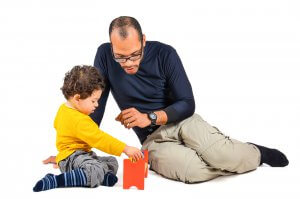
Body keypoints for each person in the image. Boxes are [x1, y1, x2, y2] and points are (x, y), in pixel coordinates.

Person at [44, 16, 289, 184]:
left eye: (134, 55)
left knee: (226, 156)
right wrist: (72, 152)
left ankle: (251, 153)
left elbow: (187, 102)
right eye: (121, 57)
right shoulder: (104, 56)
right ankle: (220, 154)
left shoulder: (165, 54)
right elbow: (94, 108)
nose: (128, 63)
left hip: (183, 121)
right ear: (111, 47)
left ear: (143, 41)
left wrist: (148, 116)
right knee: (191, 172)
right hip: (152, 139)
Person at [33, 65, 143, 192]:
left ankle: (101, 177)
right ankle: (56, 180)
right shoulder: (80, 120)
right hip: (73, 157)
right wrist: (125, 148)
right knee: (94, 169)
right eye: (93, 101)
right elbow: (99, 139)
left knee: (112, 162)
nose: (97, 105)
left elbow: (60, 131)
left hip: (77, 155)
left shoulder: (63, 109)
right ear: (77, 98)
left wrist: (60, 157)